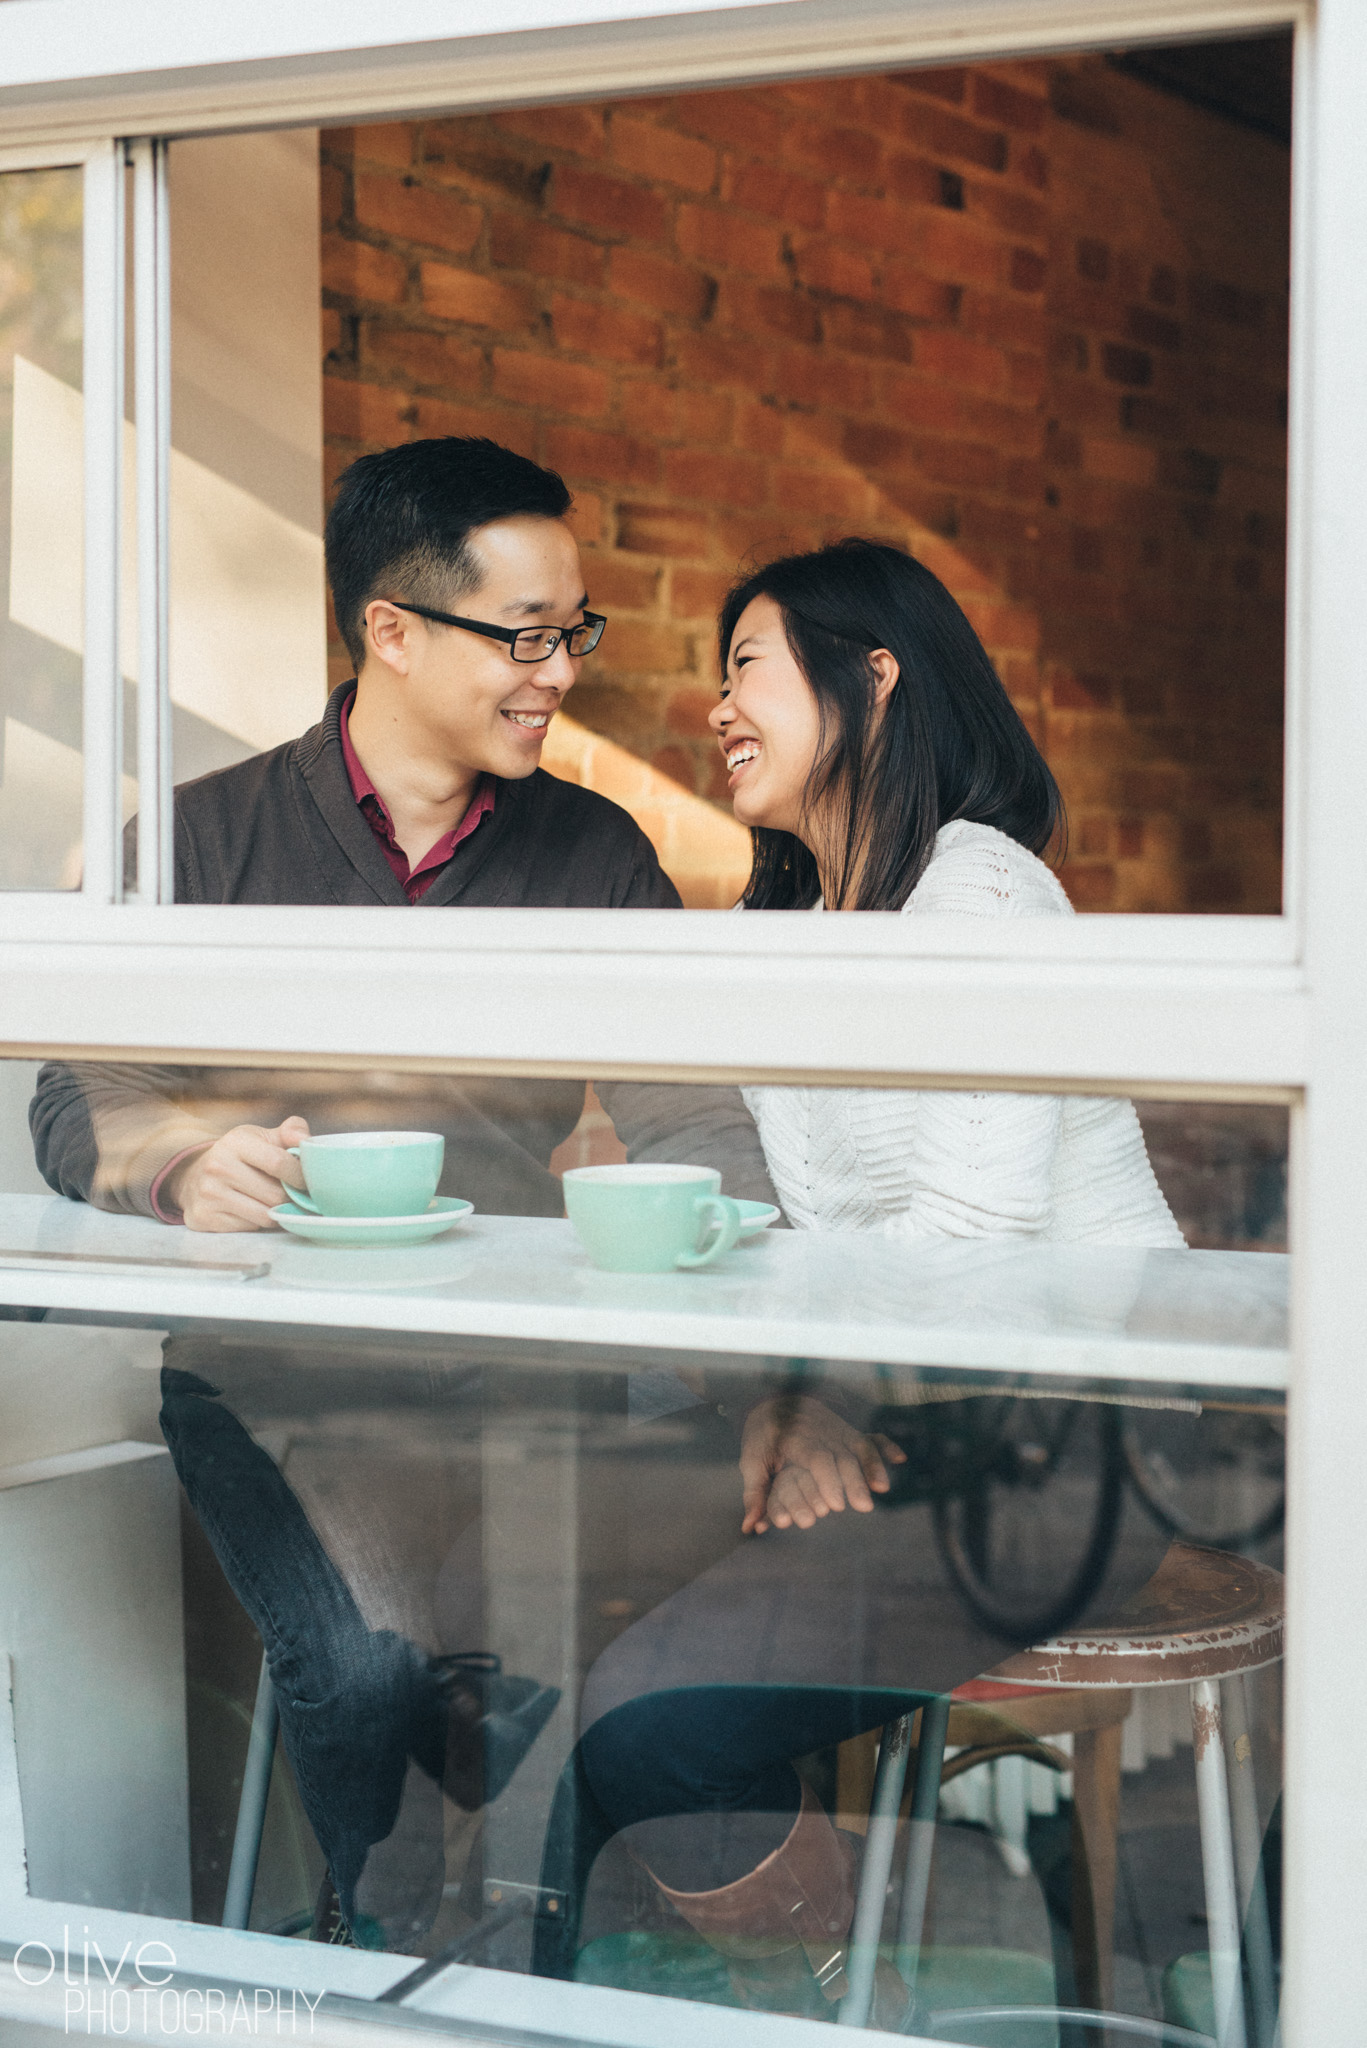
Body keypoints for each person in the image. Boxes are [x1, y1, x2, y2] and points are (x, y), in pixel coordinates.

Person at [29, 437, 779, 1951]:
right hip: (276, 1387)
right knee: (375, 1669)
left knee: (561, 1651)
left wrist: (772, 1370)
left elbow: (698, 1110)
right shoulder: (201, 842)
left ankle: (462, 1938)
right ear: (390, 630)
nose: (559, 671)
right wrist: (178, 1156)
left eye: (576, 632)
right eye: (525, 635)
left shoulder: (596, 855)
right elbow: (77, 1092)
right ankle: (390, 1944)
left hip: (521, 1393)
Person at [574, 539, 1184, 2021]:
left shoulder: (985, 901)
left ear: (874, 676)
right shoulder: (788, 924)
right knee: (562, 1618)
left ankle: (867, 1992)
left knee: (647, 1724)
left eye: (747, 667)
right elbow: (777, 1215)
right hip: (922, 1422)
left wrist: (809, 1384)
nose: (714, 703)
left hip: (1075, 1442)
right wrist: (793, 1402)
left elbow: (963, 1259)